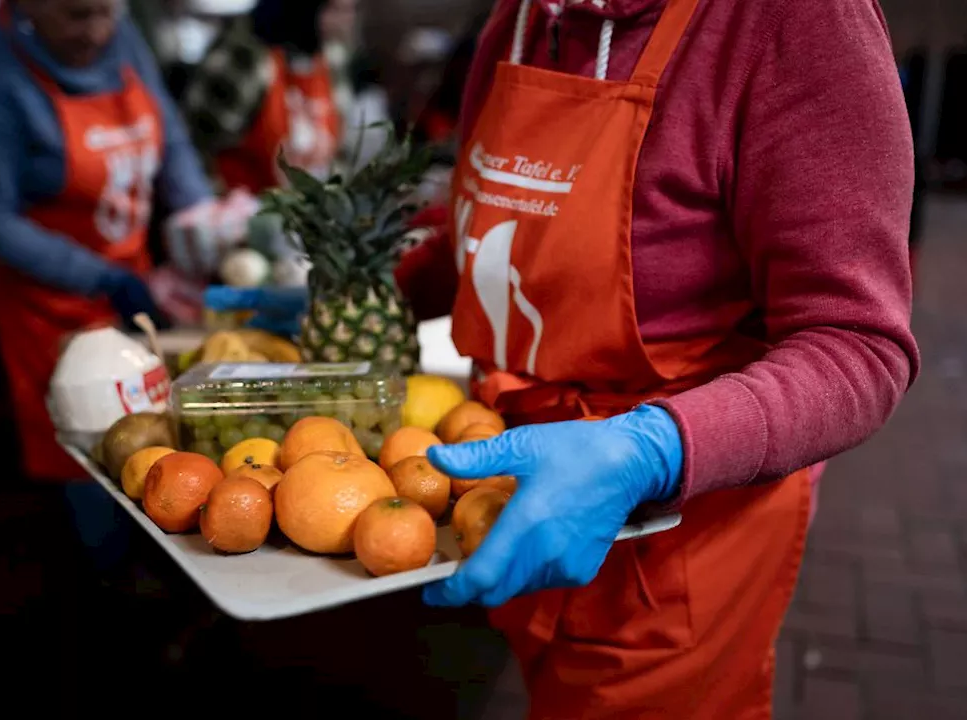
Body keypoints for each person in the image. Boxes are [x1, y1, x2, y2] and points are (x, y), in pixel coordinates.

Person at [388, 0, 920, 716]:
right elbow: (501, 220)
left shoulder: (795, 22)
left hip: (679, 548)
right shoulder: (521, 17)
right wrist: (372, 290)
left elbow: (858, 346)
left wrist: (647, 450)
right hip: (522, 489)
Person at [0, 0, 220, 570]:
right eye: (75, 15)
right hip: (50, 305)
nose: (95, 32)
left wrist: (202, 219)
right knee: (87, 455)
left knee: (152, 440)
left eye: (106, 13)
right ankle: (107, 587)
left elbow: (169, 141)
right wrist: (102, 278)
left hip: (129, 279)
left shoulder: (119, 37)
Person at [181, 0, 357, 194]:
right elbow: (199, 146)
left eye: (351, 10)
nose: (345, 21)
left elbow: (341, 152)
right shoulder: (244, 56)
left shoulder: (332, 59)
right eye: (336, 11)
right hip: (242, 208)